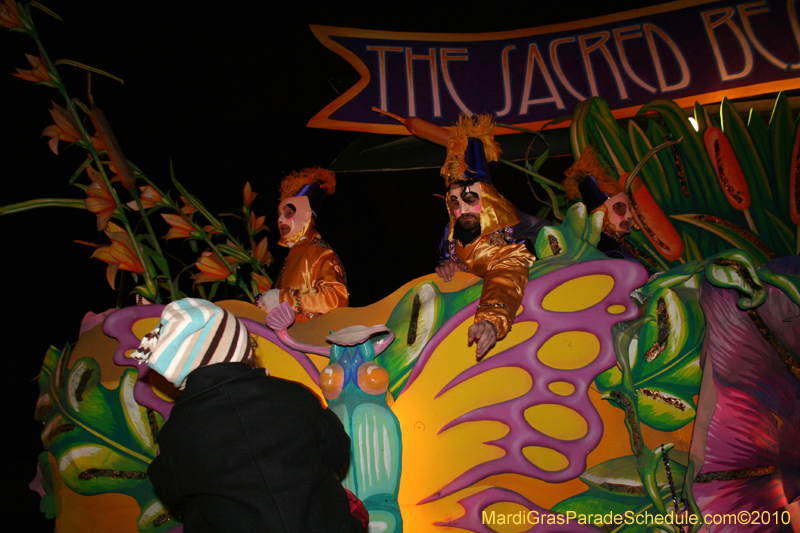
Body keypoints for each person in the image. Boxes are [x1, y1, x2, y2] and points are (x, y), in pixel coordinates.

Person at [133, 298, 366, 532]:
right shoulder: (293, 394)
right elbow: (337, 450)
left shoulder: (176, 432)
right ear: (242, 350)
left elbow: (172, 492)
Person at [435, 114, 545, 361]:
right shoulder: (451, 243)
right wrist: (452, 270)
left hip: (528, 334)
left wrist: (491, 319)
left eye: (470, 200)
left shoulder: (514, 238)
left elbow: (506, 273)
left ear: (487, 199)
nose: (462, 209)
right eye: (455, 203)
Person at [257, 168, 348, 322]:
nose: (280, 220)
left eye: (288, 213)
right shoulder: (294, 253)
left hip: (312, 335)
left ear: (306, 215)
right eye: (279, 214)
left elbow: (336, 298)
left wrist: (283, 299)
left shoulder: (318, 251)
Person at [562, 146, 652, 269]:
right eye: (620, 208)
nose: (629, 216)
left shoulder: (613, 243)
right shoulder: (605, 249)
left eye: (629, 208)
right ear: (601, 213)